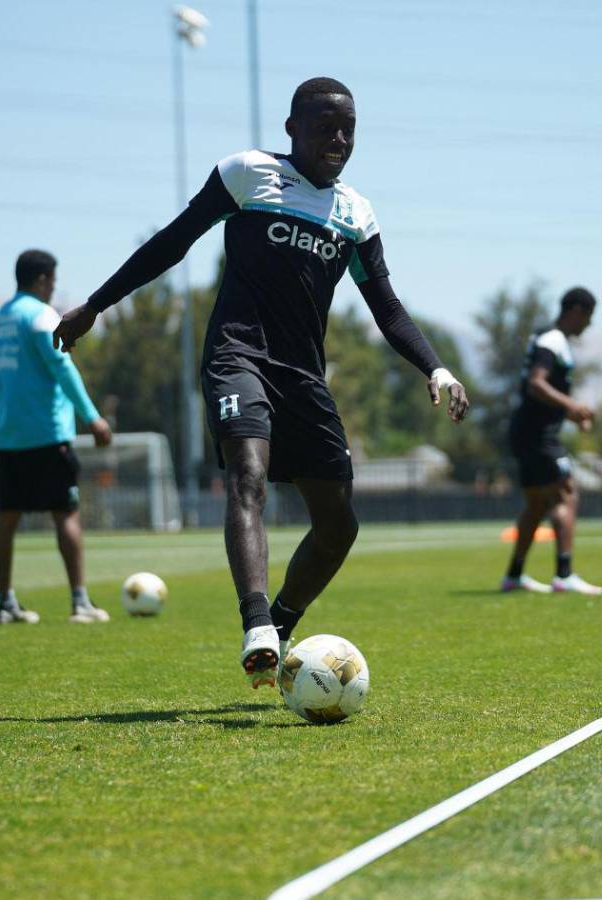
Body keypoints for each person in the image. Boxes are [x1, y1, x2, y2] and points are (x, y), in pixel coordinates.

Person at [52, 77, 469, 687]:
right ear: (291, 128)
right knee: (246, 476)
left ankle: (281, 623)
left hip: (303, 375)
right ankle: (255, 624)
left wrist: (436, 367)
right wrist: (97, 304)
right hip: (237, 354)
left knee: (339, 525)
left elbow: (387, 306)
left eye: (348, 128)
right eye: (325, 126)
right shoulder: (247, 174)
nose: (338, 139)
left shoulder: (355, 213)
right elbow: (173, 242)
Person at [0, 249, 114, 624]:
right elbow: (62, 366)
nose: (53, 290)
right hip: (45, 433)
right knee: (65, 512)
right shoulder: (41, 315)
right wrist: (92, 418)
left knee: (6, 516)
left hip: (7, 433)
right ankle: (80, 602)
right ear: (42, 279)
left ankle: (5, 603)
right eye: (52, 282)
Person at [501, 287, 602, 596]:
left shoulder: (546, 338)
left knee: (536, 504)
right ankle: (564, 574)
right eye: (588, 317)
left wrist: (569, 413)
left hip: (526, 430)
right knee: (566, 494)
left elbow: (541, 393)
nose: (588, 325)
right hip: (537, 435)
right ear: (575, 312)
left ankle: (514, 575)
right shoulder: (553, 340)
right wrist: (571, 406)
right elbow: (536, 384)